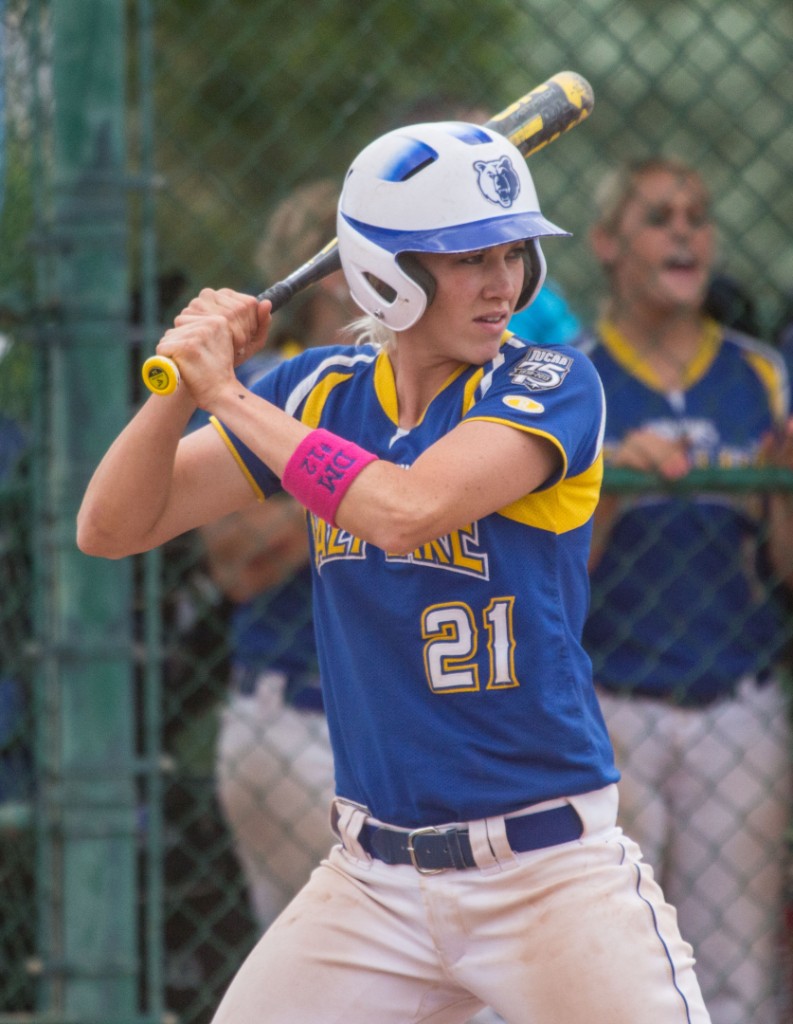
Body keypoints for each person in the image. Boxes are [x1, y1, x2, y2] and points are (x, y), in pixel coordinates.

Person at [77, 120, 712, 1024]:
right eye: (467, 259)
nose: (504, 284)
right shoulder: (319, 391)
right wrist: (179, 386)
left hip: (544, 874)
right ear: (387, 272)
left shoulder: (548, 381)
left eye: (513, 253)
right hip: (372, 881)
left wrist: (228, 394)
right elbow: (111, 525)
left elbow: (403, 510)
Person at [576, 156, 793, 1024]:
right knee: (613, 967)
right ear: (606, 245)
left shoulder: (758, 375)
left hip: (732, 700)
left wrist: (778, 486)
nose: (683, 232)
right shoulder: (571, 378)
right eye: (657, 216)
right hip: (607, 704)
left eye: (696, 216)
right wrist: (600, 488)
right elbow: (539, 581)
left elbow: (784, 571)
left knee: (733, 974)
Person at [201, 179, 355, 930]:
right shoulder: (270, 385)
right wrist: (357, 481)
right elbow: (235, 563)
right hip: (291, 719)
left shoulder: (412, 387)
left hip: (371, 723)